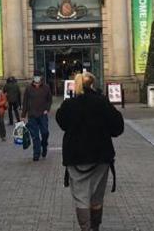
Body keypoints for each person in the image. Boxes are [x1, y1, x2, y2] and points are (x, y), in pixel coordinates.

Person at [56, 72, 124, 231]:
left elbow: (62, 123)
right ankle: (95, 228)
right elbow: (117, 128)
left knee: (81, 197)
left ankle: (85, 228)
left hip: (76, 157)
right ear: (93, 84)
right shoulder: (102, 102)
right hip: (100, 156)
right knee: (97, 196)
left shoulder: (69, 104)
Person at [22, 72, 52, 161]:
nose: (36, 78)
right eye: (35, 76)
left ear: (41, 77)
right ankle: (36, 153)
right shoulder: (28, 88)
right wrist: (23, 115)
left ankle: (44, 145)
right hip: (32, 115)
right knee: (35, 136)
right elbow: (25, 102)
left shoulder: (46, 87)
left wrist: (47, 109)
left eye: (38, 76)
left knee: (45, 133)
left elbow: (49, 100)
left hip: (43, 114)